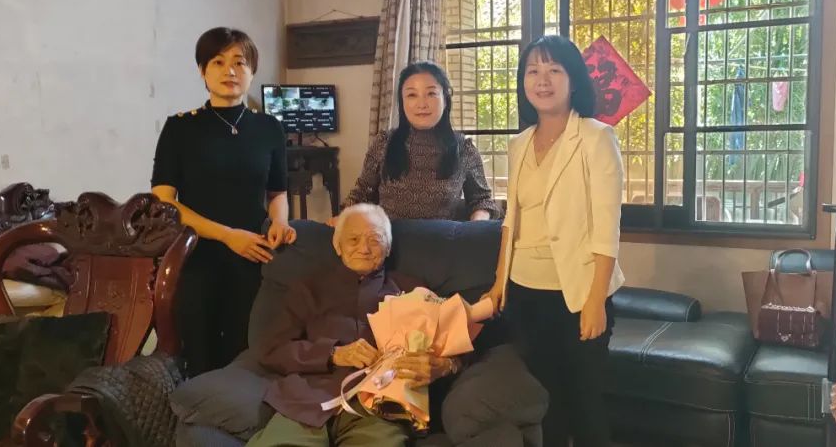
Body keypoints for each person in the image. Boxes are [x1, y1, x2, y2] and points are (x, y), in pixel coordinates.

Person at [485, 35, 624, 447]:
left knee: (586, 404)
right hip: (526, 292)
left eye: (553, 70)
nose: (542, 80)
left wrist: (595, 300)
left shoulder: (596, 137)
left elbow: (607, 226)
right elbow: (512, 219)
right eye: (532, 71)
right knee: (548, 403)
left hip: (578, 291)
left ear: (573, 80)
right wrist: (499, 282)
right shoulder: (519, 144)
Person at [247, 204, 461, 447]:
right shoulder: (308, 289)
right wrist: (332, 354)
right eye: (353, 239)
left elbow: (457, 342)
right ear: (338, 247)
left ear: (388, 248)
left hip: (379, 409)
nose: (364, 249)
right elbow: (271, 348)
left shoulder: (414, 291)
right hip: (306, 402)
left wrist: (446, 365)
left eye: (375, 240)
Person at [151, 27, 296, 376]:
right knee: (200, 354)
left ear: (252, 72)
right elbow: (164, 202)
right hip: (197, 255)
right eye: (218, 62)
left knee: (249, 350)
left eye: (239, 62)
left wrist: (280, 221)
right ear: (202, 71)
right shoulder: (180, 129)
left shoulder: (269, 128)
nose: (230, 71)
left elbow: (277, 192)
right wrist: (228, 236)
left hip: (254, 253)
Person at [336, 62, 501, 222]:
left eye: (431, 93)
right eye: (412, 95)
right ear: (402, 102)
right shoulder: (384, 143)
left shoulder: (464, 149)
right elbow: (361, 194)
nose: (422, 104)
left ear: (445, 98)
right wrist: (342, 219)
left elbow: (482, 201)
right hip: (388, 238)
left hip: (442, 238)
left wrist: (477, 223)